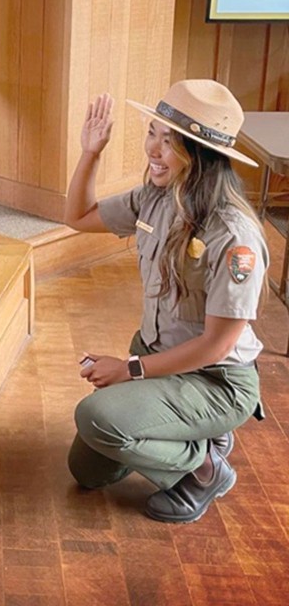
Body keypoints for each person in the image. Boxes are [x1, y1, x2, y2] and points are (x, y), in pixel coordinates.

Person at [64, 79, 268, 523]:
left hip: (216, 382)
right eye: (152, 132)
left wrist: (128, 369)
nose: (153, 150)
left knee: (97, 417)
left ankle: (204, 468)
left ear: (202, 155)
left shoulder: (235, 237)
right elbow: (77, 216)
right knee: (87, 471)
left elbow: (215, 347)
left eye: (169, 141)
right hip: (158, 359)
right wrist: (91, 153)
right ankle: (194, 438)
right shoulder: (156, 197)